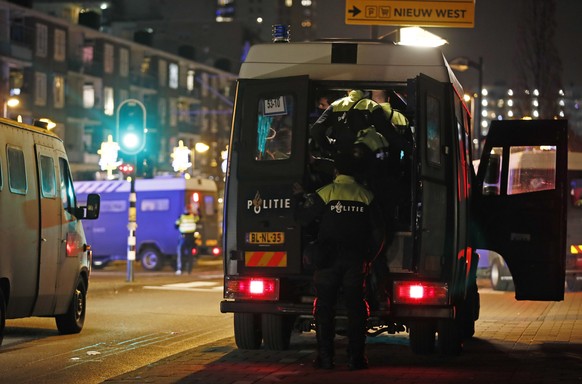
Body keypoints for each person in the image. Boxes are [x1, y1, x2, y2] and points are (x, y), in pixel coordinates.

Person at [293, 153, 385, 370]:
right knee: (356, 308)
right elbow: (379, 232)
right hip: (355, 261)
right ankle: (356, 358)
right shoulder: (366, 196)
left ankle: (325, 358)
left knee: (324, 307)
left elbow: (302, 218)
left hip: (327, 261)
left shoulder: (327, 193)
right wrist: (369, 258)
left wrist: (298, 197)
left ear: (336, 172)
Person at [175, 209, 199, 275]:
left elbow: (176, 226)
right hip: (191, 238)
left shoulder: (181, 217)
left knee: (181, 253)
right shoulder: (193, 216)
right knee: (190, 255)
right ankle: (189, 270)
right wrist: (197, 211)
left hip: (184, 237)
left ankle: (180, 269)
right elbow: (198, 219)